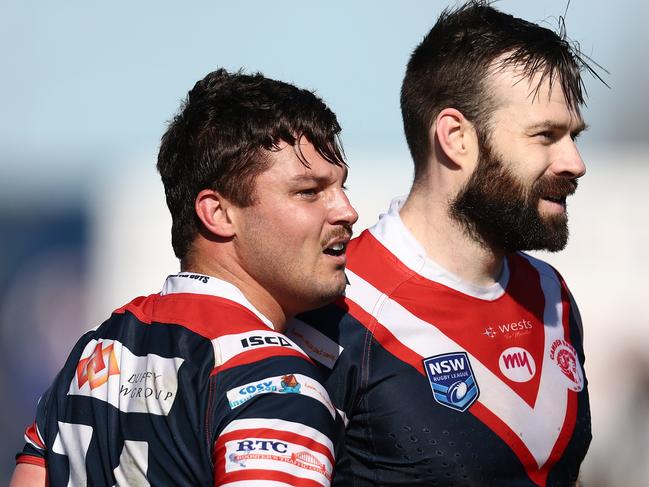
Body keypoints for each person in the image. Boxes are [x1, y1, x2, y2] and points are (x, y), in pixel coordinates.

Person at [288, 2, 603, 485]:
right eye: (546, 135)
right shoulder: (339, 307)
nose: (575, 162)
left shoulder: (550, 294)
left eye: (574, 136)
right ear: (455, 137)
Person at [11, 69, 358, 486]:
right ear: (218, 213)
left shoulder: (91, 353)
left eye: (341, 186)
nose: (346, 211)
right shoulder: (274, 382)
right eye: (309, 191)